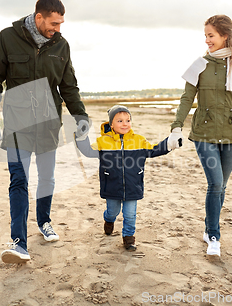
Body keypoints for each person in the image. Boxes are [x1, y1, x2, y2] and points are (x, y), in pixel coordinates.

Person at [0, 0, 90, 263]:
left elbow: (68, 86)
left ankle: (44, 222)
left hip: (48, 123)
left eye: (61, 23)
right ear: (39, 17)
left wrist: (80, 116)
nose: (58, 28)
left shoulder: (61, 45)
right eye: (54, 23)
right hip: (17, 124)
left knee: (47, 178)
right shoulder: (7, 37)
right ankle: (19, 243)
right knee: (19, 180)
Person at [167, 15, 232, 257]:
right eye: (206, 36)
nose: (207, 40)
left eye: (211, 35)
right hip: (204, 134)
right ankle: (213, 236)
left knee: (222, 187)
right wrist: (176, 127)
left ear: (225, 36)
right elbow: (186, 99)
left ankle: (209, 227)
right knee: (215, 184)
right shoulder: (199, 64)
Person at [75, 105, 177, 251]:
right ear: (111, 124)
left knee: (130, 215)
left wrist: (169, 144)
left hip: (133, 185)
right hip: (111, 185)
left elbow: (153, 150)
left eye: (128, 120)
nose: (125, 123)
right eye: (120, 121)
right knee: (113, 211)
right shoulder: (103, 142)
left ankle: (129, 238)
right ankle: (108, 220)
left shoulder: (139, 140)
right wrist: (81, 137)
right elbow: (88, 151)